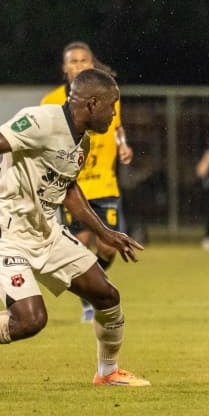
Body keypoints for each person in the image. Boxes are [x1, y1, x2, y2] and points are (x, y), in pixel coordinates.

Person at [0, 68, 149, 388]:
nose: (114, 113)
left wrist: (105, 233)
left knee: (107, 295)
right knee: (31, 319)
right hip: (4, 233)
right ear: (92, 103)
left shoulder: (82, 141)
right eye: (111, 105)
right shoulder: (41, 121)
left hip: (46, 233)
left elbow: (68, 190)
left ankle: (107, 372)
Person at [41, 41, 134, 322]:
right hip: (74, 188)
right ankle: (90, 300)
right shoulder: (51, 102)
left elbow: (117, 127)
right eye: (74, 61)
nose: (79, 65)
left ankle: (91, 290)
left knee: (108, 248)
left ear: (92, 65)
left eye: (84, 60)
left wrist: (123, 144)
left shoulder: (109, 93)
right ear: (64, 68)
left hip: (104, 183)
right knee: (80, 246)